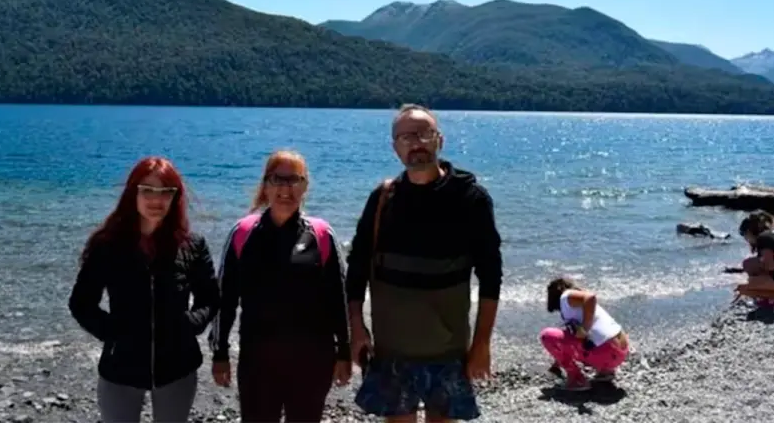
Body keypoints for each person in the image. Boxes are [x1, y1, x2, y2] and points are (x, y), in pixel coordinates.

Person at [346, 104, 503, 423]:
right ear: (395, 148)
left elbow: (491, 276)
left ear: (439, 140)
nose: (415, 142)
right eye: (405, 137)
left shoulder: (470, 199)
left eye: (423, 133)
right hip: (391, 352)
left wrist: (482, 344)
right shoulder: (382, 200)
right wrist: (357, 328)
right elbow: (357, 268)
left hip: (447, 352)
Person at [68, 156, 220, 423]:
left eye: (165, 192)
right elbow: (81, 303)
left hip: (178, 366)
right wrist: (111, 332)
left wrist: (190, 324)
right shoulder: (108, 246)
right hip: (120, 368)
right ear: (133, 193)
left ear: (176, 197)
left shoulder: (192, 245)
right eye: (147, 190)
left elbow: (209, 297)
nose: (156, 200)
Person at [210, 150, 352, 423]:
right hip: (258, 362)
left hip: (313, 360)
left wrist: (344, 351)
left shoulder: (321, 234)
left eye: (294, 180)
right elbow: (224, 300)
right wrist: (220, 352)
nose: (285, 188)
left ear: (305, 186)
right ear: (265, 185)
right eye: (278, 179)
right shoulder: (242, 233)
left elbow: (338, 297)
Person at [539, 277, 630, 391]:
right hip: (621, 352)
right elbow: (569, 340)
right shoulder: (580, 307)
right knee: (574, 336)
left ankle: (577, 380)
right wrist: (557, 364)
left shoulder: (566, 295)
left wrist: (585, 328)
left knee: (546, 335)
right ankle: (605, 372)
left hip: (607, 352)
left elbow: (591, 297)